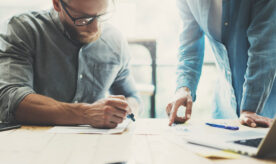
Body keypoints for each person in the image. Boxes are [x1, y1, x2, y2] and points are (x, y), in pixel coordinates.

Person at [0, 0, 141, 129]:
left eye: (101, 15)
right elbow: (10, 99)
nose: (95, 29)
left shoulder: (114, 40)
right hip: (31, 145)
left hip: (94, 147)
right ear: (57, 4)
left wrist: (125, 109)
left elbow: (131, 96)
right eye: (83, 19)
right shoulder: (23, 30)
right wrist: (86, 113)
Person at [167, 0, 276, 128]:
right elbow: (190, 46)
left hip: (266, 106)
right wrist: (184, 88)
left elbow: (264, 49)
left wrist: (250, 108)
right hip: (224, 106)